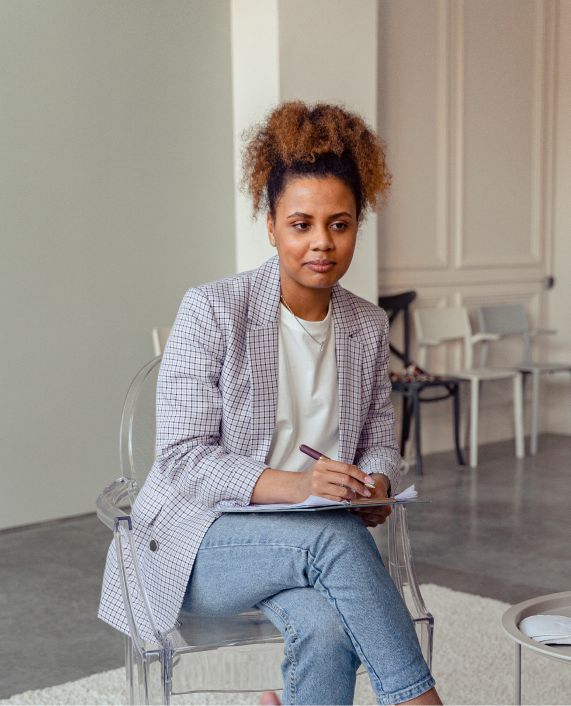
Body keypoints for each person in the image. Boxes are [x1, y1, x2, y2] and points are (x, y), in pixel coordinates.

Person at [99, 101, 443, 706]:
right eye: (301, 224)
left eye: (339, 224)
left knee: (328, 626)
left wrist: (377, 482)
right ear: (271, 224)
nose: (321, 244)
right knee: (333, 539)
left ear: (358, 225)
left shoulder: (365, 325)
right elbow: (182, 459)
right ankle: (420, 701)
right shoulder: (213, 310)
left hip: (306, 539)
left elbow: (380, 438)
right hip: (198, 544)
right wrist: (299, 485)